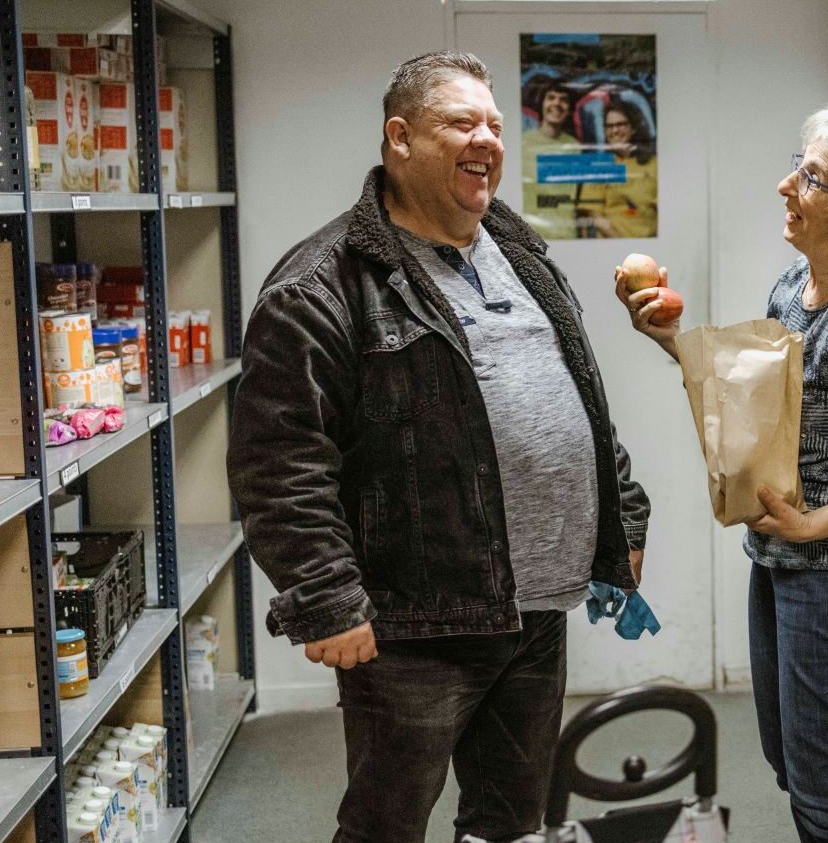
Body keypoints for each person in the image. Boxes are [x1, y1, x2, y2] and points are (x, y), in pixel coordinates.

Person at [228, 51, 651, 843]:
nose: (486, 139)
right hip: (413, 624)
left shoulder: (520, 252)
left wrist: (621, 519)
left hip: (535, 608)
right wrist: (324, 596)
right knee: (387, 826)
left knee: (508, 821)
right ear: (399, 137)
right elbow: (279, 461)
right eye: (461, 122)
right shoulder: (323, 282)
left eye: (494, 123)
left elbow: (583, 400)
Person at [616, 104, 828, 842]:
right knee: (794, 766)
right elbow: (757, 398)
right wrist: (673, 340)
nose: (785, 185)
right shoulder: (793, 286)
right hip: (787, 558)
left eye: (810, 177)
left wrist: (813, 523)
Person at [578, 99, 658, 238]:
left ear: (633, 128)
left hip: (649, 248)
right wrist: (623, 245)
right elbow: (595, 216)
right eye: (609, 126)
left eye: (620, 124)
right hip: (611, 246)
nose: (614, 130)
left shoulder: (654, 164)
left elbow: (664, 213)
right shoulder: (599, 166)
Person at [521, 79, 581, 240]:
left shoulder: (575, 147)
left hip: (567, 235)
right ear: (542, 104)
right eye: (551, 97)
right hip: (531, 237)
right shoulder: (523, 143)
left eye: (563, 99)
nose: (557, 103)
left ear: (569, 109)